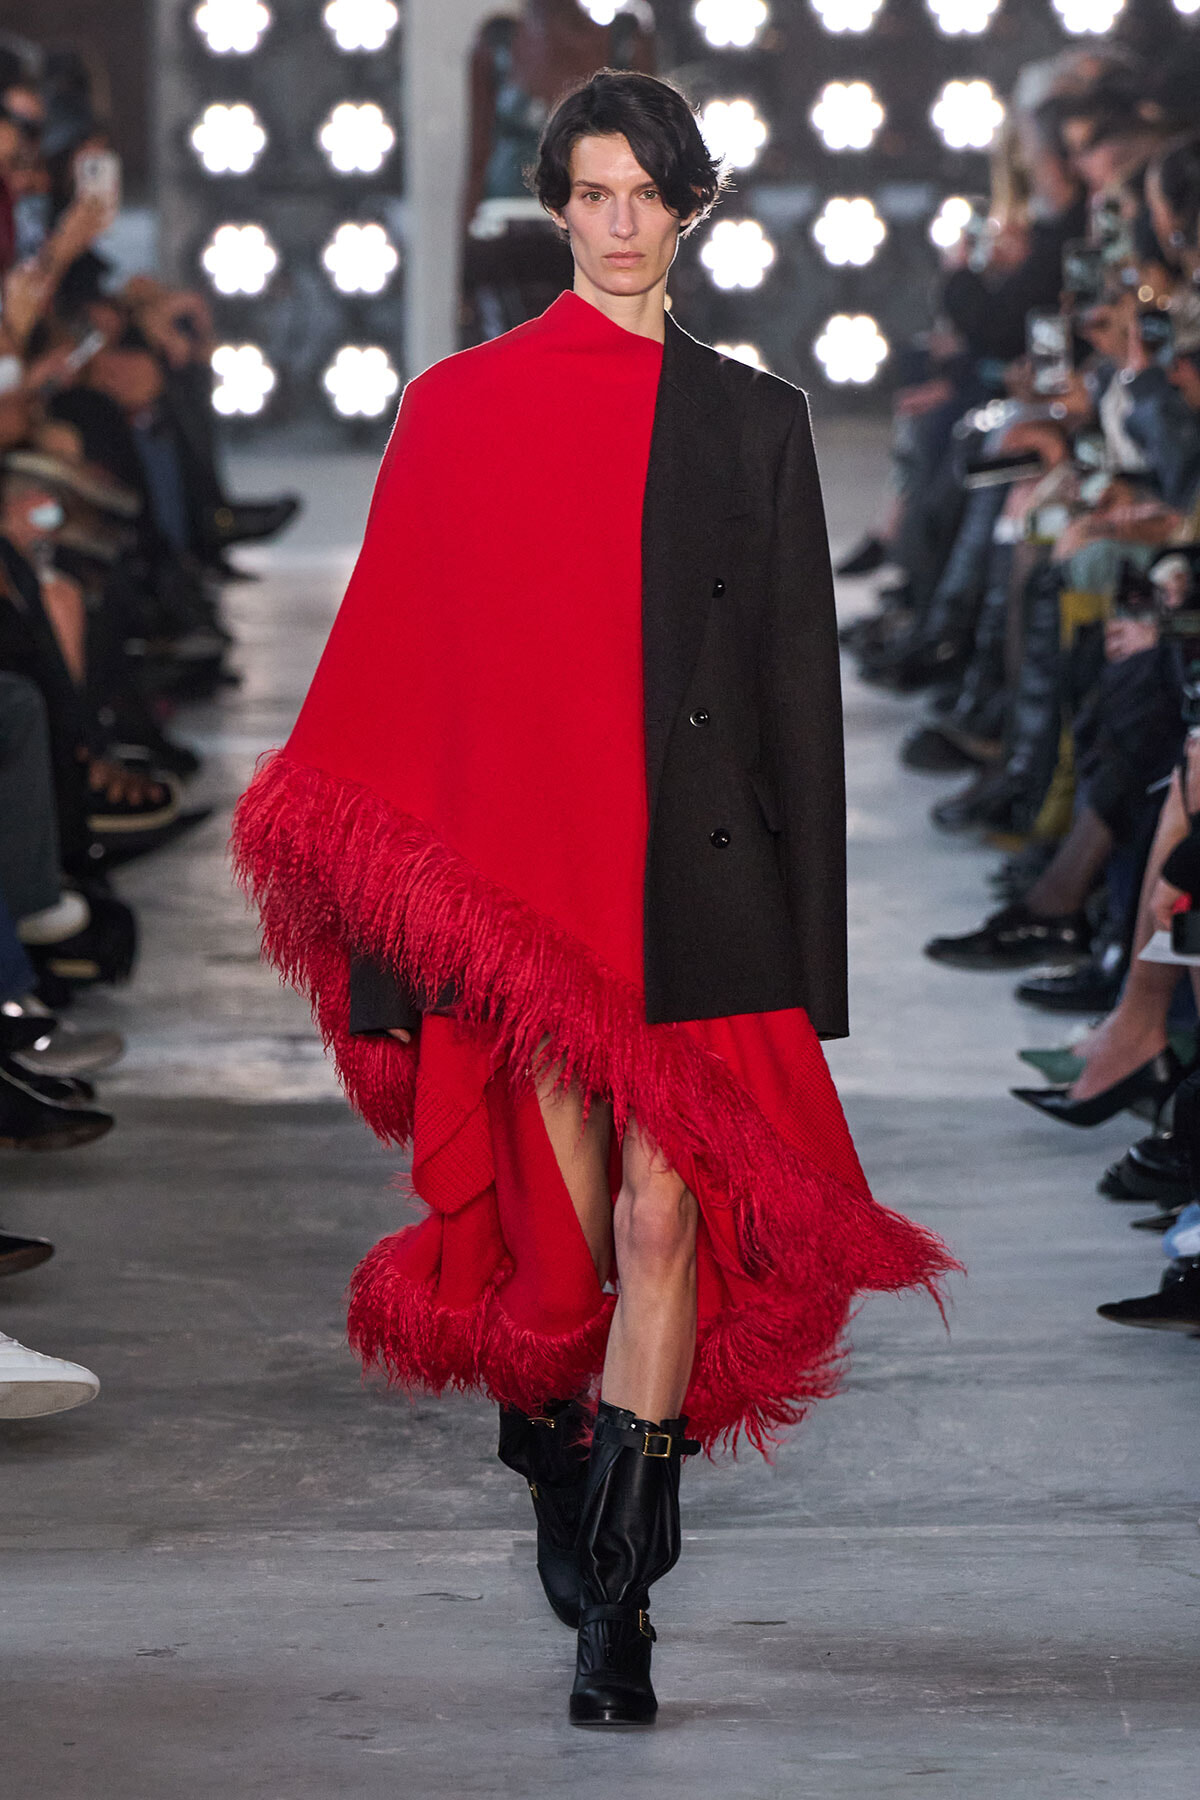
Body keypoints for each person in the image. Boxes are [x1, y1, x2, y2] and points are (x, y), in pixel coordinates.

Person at [233, 70, 953, 1728]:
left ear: (689, 208)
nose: (621, 225)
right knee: (562, 1251)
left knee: (662, 1213)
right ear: (556, 209)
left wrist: (802, 947)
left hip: (690, 881)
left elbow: (794, 702)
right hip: (531, 892)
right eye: (594, 195)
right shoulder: (461, 407)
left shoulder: (752, 423)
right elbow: (404, 665)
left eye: (648, 196)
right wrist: (413, 912)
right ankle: (561, 1455)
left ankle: (616, 1612)